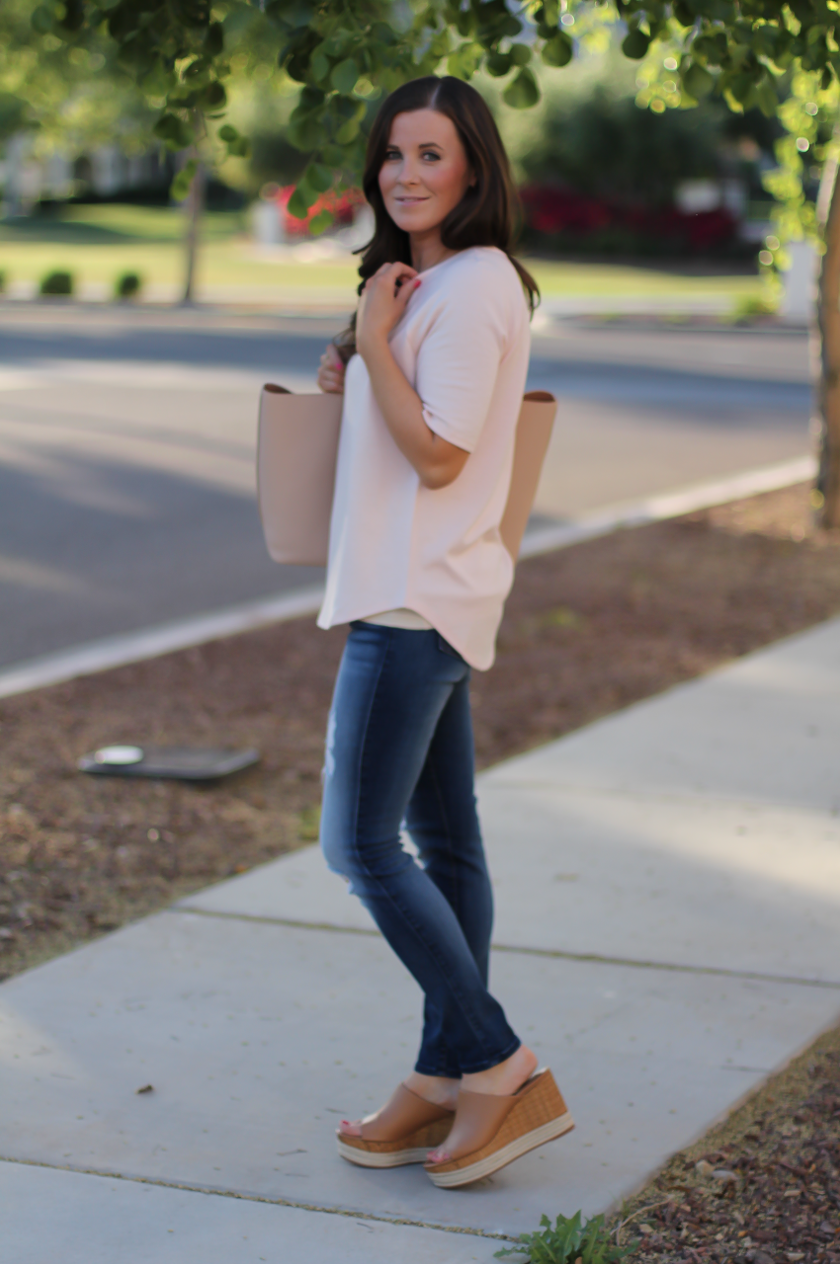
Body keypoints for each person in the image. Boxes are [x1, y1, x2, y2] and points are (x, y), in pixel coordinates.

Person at [315, 75, 573, 1189]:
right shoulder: (428, 286)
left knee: (359, 846)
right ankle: (435, 1081)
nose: (406, 174)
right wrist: (362, 352)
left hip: (412, 601)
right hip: (428, 589)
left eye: (431, 154)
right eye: (393, 155)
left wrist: (377, 344)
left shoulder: (469, 288)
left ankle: (495, 1059)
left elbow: (441, 455)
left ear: (474, 165)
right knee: (448, 846)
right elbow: (407, 429)